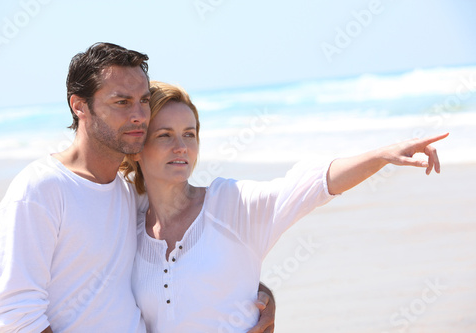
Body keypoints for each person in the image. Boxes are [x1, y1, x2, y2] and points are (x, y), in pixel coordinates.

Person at [0, 43, 274, 333]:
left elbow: (187, 267)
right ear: (80, 106)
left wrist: (260, 296)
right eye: (122, 102)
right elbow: (5, 310)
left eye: (144, 101)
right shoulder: (38, 190)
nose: (139, 115)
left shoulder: (130, 194)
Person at [121, 81, 448, 333]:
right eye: (165, 135)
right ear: (137, 146)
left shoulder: (234, 205)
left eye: (189, 134)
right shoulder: (124, 223)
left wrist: (382, 155)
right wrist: (261, 292)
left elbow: (312, 183)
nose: (181, 147)